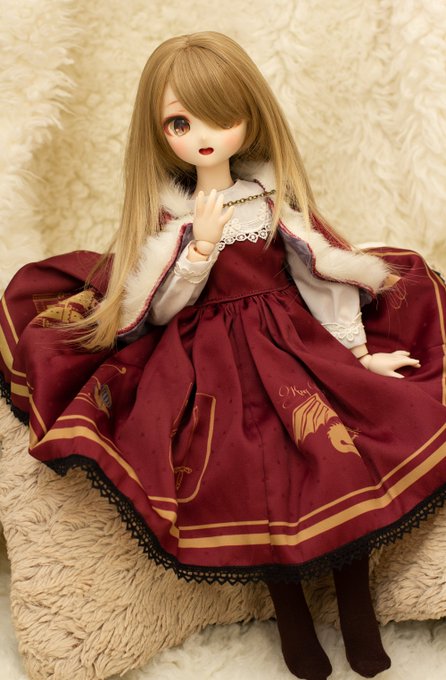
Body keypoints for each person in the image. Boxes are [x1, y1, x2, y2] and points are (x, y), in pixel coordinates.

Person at [1, 31, 446, 680]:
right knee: (250, 484)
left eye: (220, 115)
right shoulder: (173, 217)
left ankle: (359, 618)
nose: (202, 136)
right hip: (216, 368)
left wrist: (356, 355)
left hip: (295, 352)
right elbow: (160, 307)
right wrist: (200, 249)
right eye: (180, 123)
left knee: (338, 462)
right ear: (161, 133)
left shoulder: (269, 200)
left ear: (249, 116)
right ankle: (295, 630)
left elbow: (321, 279)